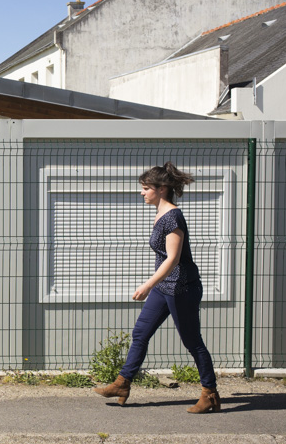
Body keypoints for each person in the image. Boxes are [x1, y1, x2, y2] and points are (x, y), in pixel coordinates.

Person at [94, 162, 220, 413]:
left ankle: (210, 394)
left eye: (146, 188)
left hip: (182, 287)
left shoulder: (173, 216)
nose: (142, 192)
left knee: (193, 342)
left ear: (162, 189)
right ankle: (122, 383)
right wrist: (156, 285)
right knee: (141, 332)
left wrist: (147, 285)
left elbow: (173, 258)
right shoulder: (161, 214)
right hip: (165, 287)